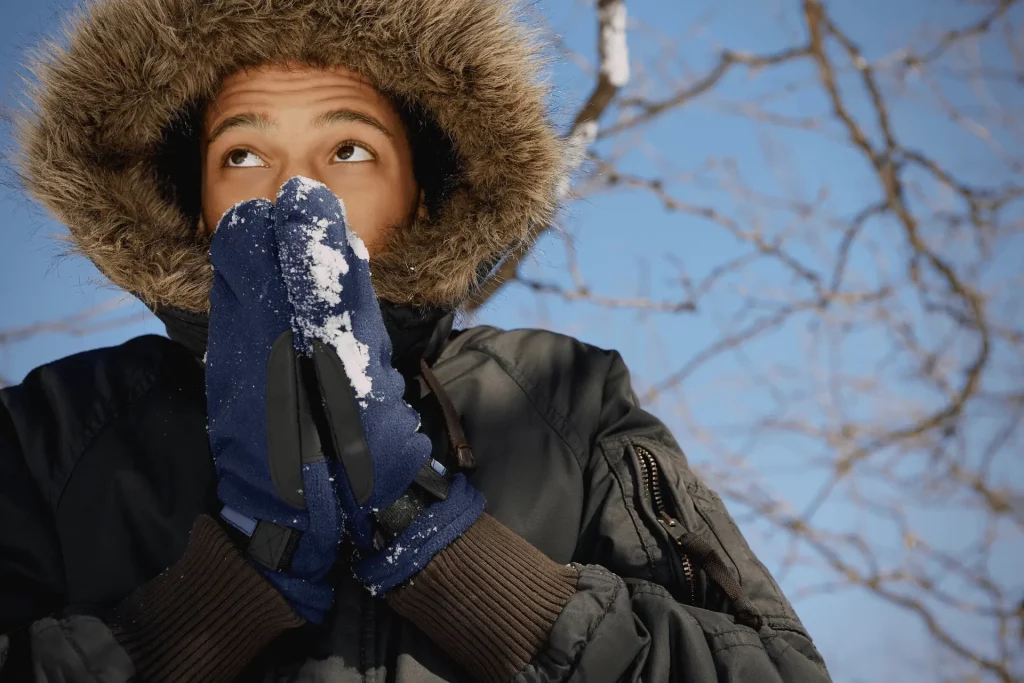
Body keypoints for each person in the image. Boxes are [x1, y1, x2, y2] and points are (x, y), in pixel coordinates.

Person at [0, 0, 832, 681]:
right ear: (193, 203)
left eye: (349, 147)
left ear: (425, 194)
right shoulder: (59, 426)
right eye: (245, 152)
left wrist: (441, 545)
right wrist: (221, 597)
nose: (298, 189)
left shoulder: (559, 394)